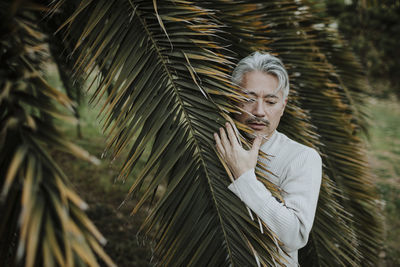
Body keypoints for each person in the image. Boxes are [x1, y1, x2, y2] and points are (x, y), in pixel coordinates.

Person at [213, 52, 322, 266]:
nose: (259, 111)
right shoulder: (213, 145)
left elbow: (294, 236)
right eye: (248, 99)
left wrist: (245, 178)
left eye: (270, 101)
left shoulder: (302, 158)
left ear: (283, 105)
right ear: (231, 98)